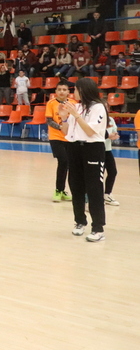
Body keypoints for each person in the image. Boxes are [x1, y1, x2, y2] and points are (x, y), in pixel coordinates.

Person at [59, 78, 108, 242]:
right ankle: (80, 221)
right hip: (74, 147)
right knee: (76, 186)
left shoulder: (98, 107)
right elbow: (66, 131)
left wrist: (76, 115)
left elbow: (89, 131)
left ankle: (98, 228)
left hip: (92, 148)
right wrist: (64, 118)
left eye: (76, 89)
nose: (74, 92)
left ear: (84, 90)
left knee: (94, 188)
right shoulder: (77, 107)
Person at [46, 81, 74, 203]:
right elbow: (49, 120)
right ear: (56, 91)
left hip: (70, 138)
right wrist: (60, 127)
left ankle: (62, 190)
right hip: (56, 137)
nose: (61, 91)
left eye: (64, 89)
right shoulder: (51, 103)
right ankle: (58, 190)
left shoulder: (73, 103)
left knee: (68, 164)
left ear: (68, 92)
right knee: (63, 161)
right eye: (59, 89)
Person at [103, 111, 120, 207]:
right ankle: (95, 197)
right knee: (98, 175)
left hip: (107, 150)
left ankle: (107, 194)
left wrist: (114, 136)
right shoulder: (96, 119)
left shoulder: (111, 120)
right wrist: (107, 136)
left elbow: (114, 132)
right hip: (97, 150)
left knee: (113, 172)